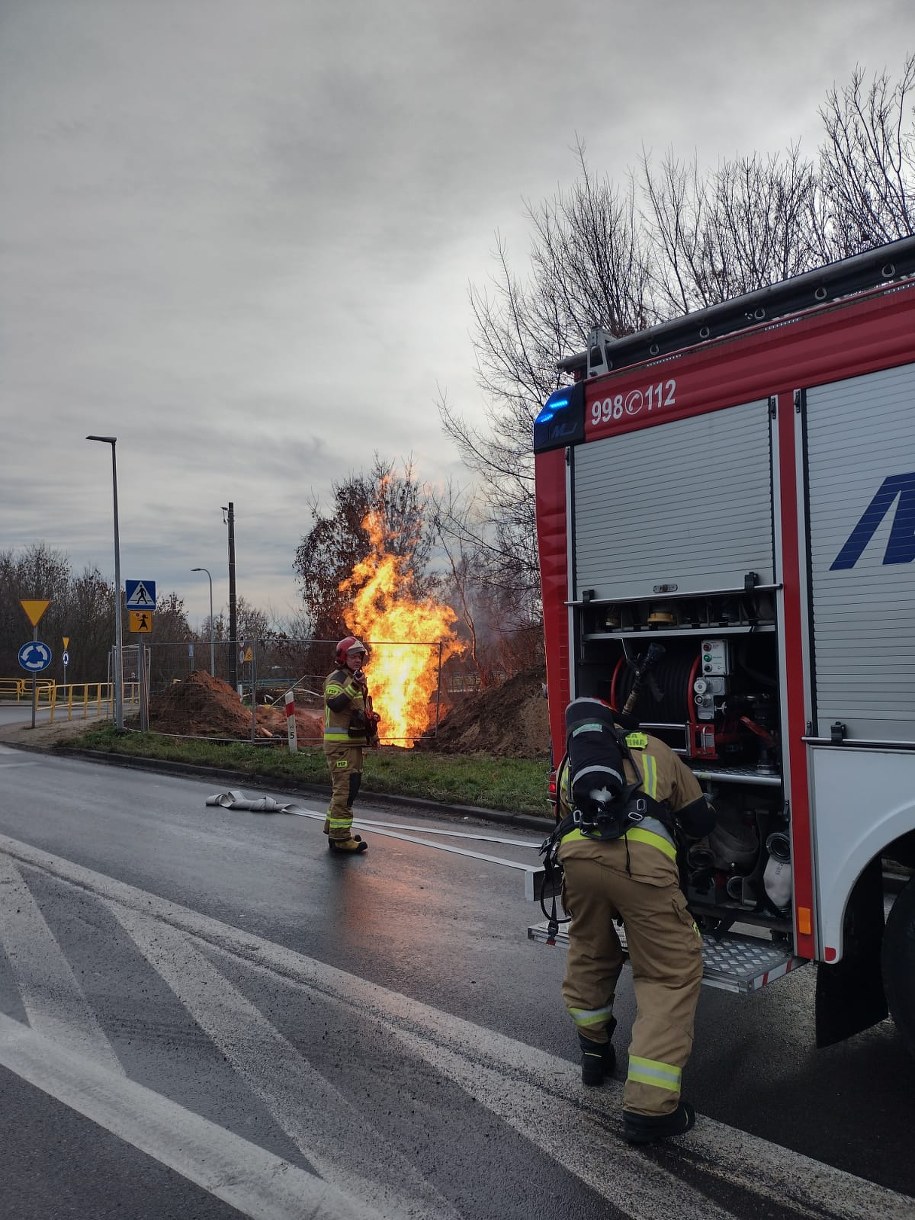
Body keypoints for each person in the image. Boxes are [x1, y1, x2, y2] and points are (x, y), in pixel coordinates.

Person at [553, 696, 715, 1144]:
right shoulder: (656, 749)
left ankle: (593, 1051)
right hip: (641, 869)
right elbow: (699, 822)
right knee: (668, 972)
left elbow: (564, 816)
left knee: (591, 949)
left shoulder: (573, 763)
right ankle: (650, 1107)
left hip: (578, 864)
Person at [322, 636, 377, 854]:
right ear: (343, 657)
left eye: (360, 657)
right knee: (344, 790)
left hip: (353, 745)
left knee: (348, 789)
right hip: (340, 747)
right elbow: (335, 704)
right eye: (353, 656)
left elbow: (362, 712)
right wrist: (355, 686)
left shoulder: (356, 680)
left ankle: (335, 831)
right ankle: (341, 839)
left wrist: (372, 734)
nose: (358, 660)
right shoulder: (336, 679)